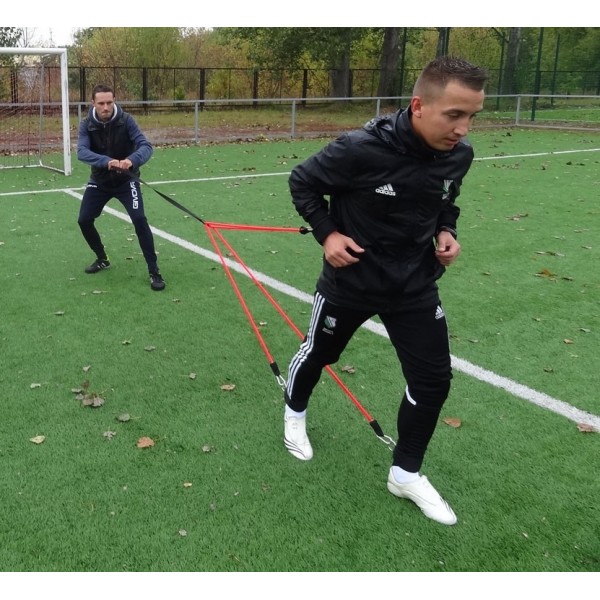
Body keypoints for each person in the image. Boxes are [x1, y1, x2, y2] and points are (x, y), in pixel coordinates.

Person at [283, 56, 487, 525]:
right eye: (454, 114)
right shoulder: (360, 149)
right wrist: (327, 234)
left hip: (414, 285)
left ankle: (405, 473)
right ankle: (294, 411)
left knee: (433, 381)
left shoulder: (459, 155)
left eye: (472, 116)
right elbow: (303, 182)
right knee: (319, 353)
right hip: (351, 282)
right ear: (418, 106)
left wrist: (447, 231)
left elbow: (446, 200)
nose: (463, 128)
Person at [77, 83, 165, 291]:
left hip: (127, 181)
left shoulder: (126, 120)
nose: (106, 107)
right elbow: (81, 152)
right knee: (84, 220)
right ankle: (102, 258)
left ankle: (154, 271)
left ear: (114, 101)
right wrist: (106, 161)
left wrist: (131, 160)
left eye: (109, 102)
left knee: (139, 219)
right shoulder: (86, 124)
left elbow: (146, 146)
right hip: (100, 182)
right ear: (93, 103)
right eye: (101, 103)